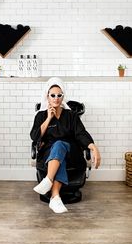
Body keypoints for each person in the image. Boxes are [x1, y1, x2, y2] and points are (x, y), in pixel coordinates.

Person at [30, 77, 101, 214]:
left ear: (63, 97)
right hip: (49, 153)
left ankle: (48, 181)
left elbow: (81, 133)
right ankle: (55, 197)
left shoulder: (71, 115)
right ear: (47, 96)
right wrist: (48, 118)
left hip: (71, 152)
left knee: (60, 145)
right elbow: (34, 136)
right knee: (58, 152)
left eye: (59, 95)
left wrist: (93, 146)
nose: (56, 98)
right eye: (53, 95)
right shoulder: (41, 115)